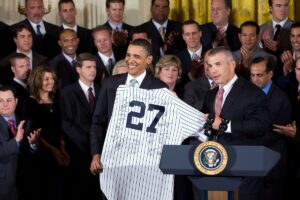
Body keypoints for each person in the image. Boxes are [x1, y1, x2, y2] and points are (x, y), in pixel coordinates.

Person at [90, 39, 167, 179]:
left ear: (148, 59)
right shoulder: (110, 83)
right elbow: (98, 122)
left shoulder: (160, 88)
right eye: (128, 55)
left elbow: (161, 130)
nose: (130, 60)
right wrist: (96, 155)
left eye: (136, 56)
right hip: (111, 159)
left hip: (144, 163)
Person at [203, 46, 271, 200]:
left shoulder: (252, 92)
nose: (213, 70)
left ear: (232, 64)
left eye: (218, 64)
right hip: (214, 166)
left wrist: (225, 125)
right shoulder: (210, 95)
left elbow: (262, 125)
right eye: (210, 65)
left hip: (244, 171)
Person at [23, 66, 70, 200]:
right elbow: (33, 132)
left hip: (59, 152)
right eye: (46, 79)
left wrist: (61, 148)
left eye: (52, 78)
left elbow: (60, 126)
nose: (51, 82)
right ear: (38, 81)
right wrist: (53, 150)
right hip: (41, 154)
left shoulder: (57, 100)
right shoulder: (29, 102)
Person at [249, 56, 292, 200]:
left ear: (270, 74)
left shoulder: (281, 98)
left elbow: (273, 132)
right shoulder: (247, 94)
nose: (255, 79)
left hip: (273, 160)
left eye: (259, 75)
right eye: (253, 75)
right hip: (253, 160)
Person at [60, 53, 101, 200]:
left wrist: (98, 147)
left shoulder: (102, 89)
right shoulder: (68, 92)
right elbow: (66, 123)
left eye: (94, 67)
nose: (93, 70)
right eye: (88, 67)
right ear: (78, 69)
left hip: (101, 152)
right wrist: (89, 145)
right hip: (79, 152)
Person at [0, 86, 40, 200]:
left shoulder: (27, 122)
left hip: (28, 183)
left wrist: (33, 144)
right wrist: (16, 140)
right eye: (1, 101)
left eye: (8, 100)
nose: (4, 104)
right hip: (4, 187)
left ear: (16, 101)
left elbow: (33, 153)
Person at [177, 20, 212, 84]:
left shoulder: (212, 54)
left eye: (194, 33)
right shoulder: (177, 58)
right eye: (187, 34)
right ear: (183, 37)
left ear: (200, 33)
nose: (191, 37)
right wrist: (191, 74)